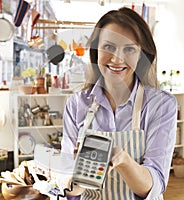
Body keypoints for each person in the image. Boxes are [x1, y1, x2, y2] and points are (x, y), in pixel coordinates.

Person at [60, 6, 177, 200]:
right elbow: (67, 182)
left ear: (141, 54)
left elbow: (155, 183)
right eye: (109, 47)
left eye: (129, 49)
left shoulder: (161, 105)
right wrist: (75, 179)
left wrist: (123, 161)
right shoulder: (76, 104)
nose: (116, 59)